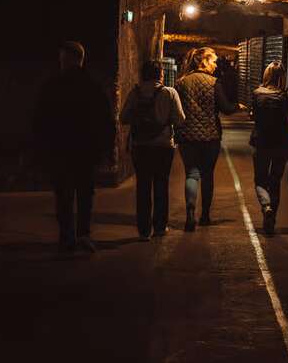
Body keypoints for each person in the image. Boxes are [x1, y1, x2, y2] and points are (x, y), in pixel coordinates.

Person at [33, 41, 114, 253]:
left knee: (64, 195)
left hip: (60, 149)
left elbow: (41, 119)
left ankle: (67, 237)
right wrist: (105, 149)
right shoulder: (93, 86)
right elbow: (105, 120)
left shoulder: (53, 86)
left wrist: (42, 147)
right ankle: (83, 235)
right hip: (86, 150)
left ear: (68, 58)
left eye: (62, 58)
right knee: (85, 194)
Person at [175, 47, 246, 231]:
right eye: (213, 61)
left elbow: (176, 110)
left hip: (187, 137)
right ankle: (205, 215)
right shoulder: (214, 83)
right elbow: (225, 108)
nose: (216, 65)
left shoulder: (181, 83)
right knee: (207, 176)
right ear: (204, 62)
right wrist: (237, 106)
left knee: (191, 174)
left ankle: (190, 213)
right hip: (210, 137)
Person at [120, 60, 185, 241]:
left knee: (143, 187)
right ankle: (159, 227)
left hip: (140, 146)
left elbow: (123, 117)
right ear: (160, 74)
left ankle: (143, 231)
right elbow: (180, 119)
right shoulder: (169, 92)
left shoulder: (135, 92)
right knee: (161, 185)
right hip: (163, 146)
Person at [250, 61, 288, 236]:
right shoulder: (285, 95)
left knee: (260, 180)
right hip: (280, 144)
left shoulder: (257, 94)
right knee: (275, 181)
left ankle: (266, 206)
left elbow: (254, 116)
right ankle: (271, 220)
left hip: (261, 142)